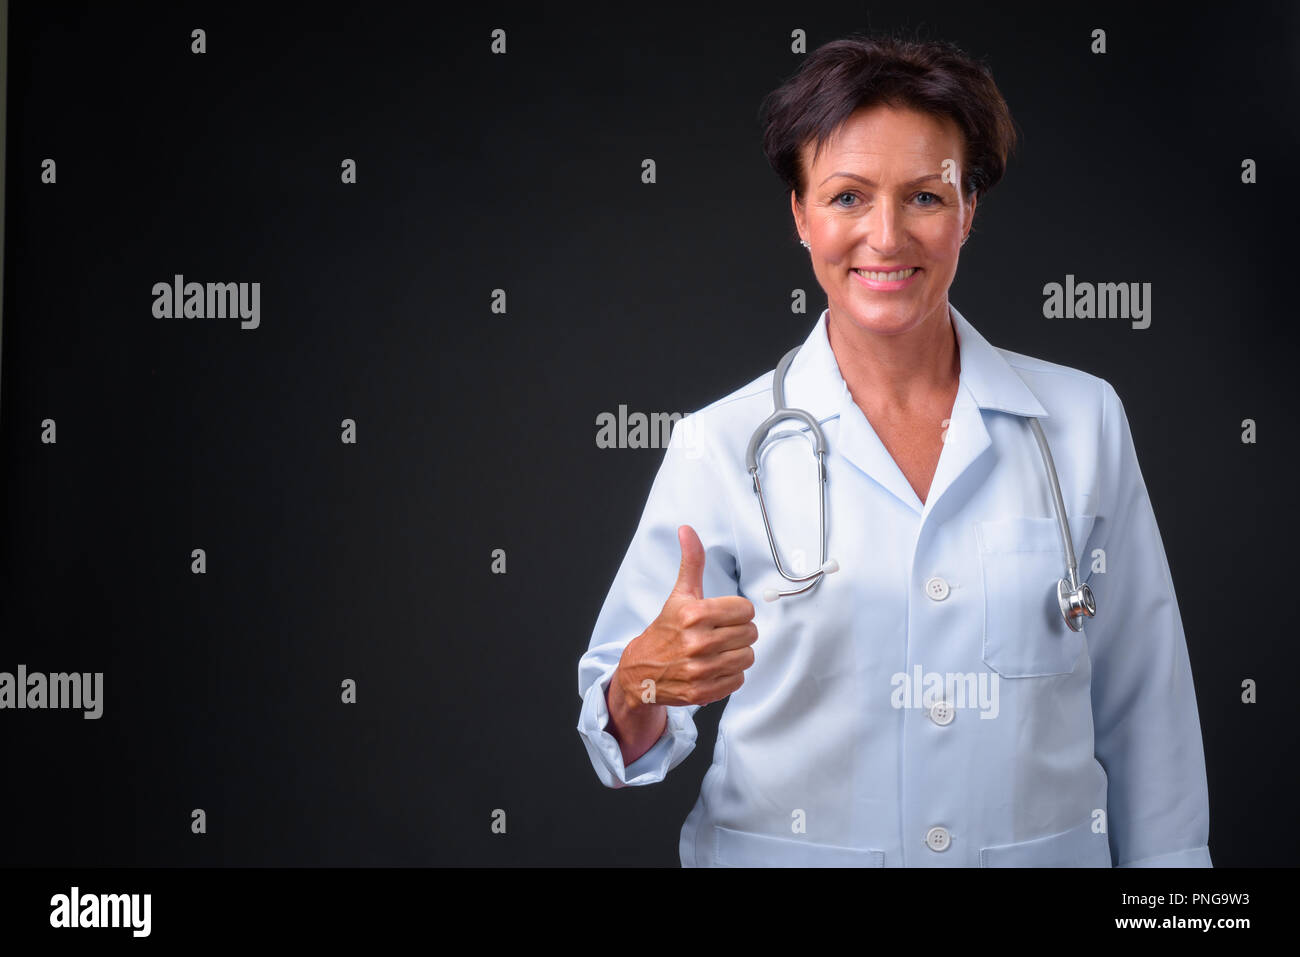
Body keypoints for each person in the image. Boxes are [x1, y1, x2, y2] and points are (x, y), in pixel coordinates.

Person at [575, 34, 1211, 867]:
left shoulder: (1083, 420)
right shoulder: (718, 444)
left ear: (968, 209)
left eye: (924, 196)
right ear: (800, 215)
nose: (885, 236)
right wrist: (642, 681)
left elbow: (1148, 719)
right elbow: (625, 733)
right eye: (846, 197)